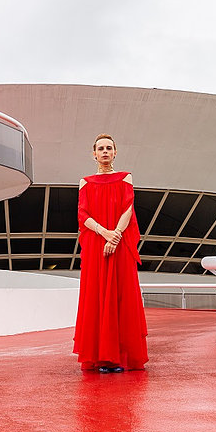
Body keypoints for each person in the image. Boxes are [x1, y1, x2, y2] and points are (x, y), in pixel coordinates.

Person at [73, 134, 148, 373]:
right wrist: (105, 233)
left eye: (109, 148)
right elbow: (83, 215)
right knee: (97, 296)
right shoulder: (85, 182)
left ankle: (120, 357)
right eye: (100, 149)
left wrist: (115, 235)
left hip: (120, 243)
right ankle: (101, 358)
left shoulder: (125, 178)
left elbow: (128, 208)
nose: (105, 152)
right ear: (94, 154)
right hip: (97, 245)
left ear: (115, 153)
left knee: (121, 296)